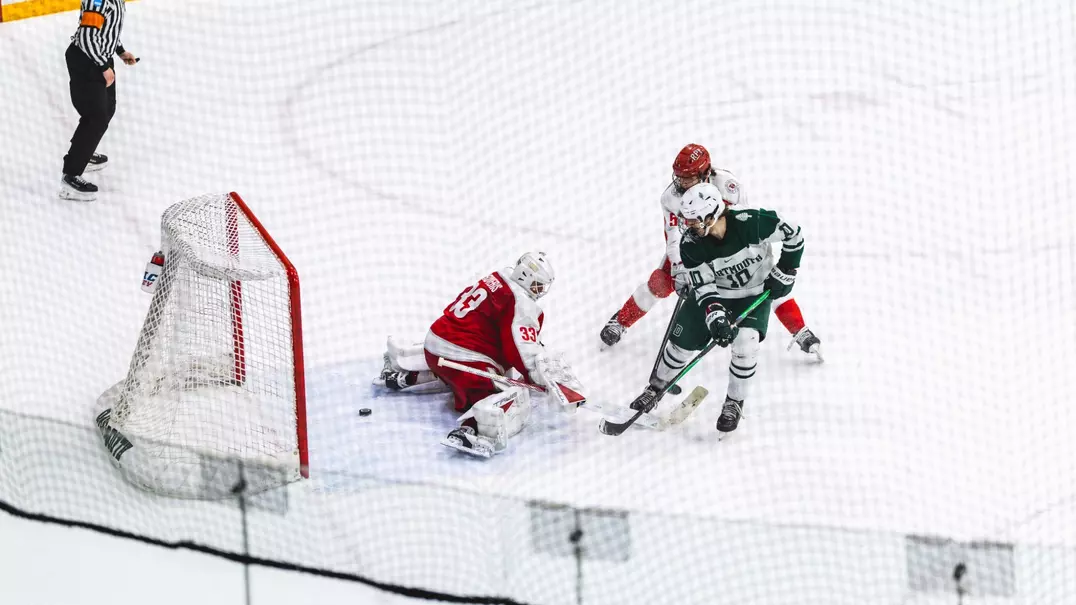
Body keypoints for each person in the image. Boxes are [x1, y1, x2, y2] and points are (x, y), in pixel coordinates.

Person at [599, 144, 822, 361]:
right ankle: (620, 321)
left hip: (728, 245)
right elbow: (673, 236)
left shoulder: (728, 185)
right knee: (660, 282)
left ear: (706, 173)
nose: (682, 183)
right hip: (693, 248)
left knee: (762, 281)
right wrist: (680, 269)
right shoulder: (670, 198)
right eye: (679, 177)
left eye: (688, 177)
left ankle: (799, 329)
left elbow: (741, 222)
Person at [627, 182, 805, 434]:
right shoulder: (690, 245)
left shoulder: (750, 221)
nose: (687, 227)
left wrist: (787, 269)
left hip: (753, 294)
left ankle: (734, 402)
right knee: (680, 345)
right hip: (715, 295)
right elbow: (704, 288)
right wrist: (716, 318)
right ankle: (656, 388)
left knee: (746, 342)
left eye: (692, 221)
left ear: (710, 216)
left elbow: (794, 234)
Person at [376, 252, 583, 457]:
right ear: (525, 276)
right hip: (459, 357)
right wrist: (537, 377)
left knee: (456, 371)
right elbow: (520, 349)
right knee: (501, 392)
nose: (540, 291)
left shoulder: (497, 277)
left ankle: (408, 376)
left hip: (434, 344)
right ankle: (472, 430)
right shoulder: (521, 302)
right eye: (538, 285)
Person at [59, 0, 138, 202]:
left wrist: (119, 51)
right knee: (96, 117)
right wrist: (103, 67)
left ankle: (83, 152)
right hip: (86, 59)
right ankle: (71, 176)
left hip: (100, 57)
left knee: (107, 109)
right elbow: (87, 37)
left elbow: (106, 29)